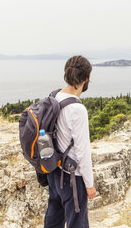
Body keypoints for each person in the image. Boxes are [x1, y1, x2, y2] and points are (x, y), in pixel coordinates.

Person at [44, 55, 96, 228]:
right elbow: (82, 151)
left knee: (53, 218)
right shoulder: (77, 109)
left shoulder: (55, 96)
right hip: (72, 177)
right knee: (77, 222)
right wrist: (89, 185)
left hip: (53, 169)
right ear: (87, 77)